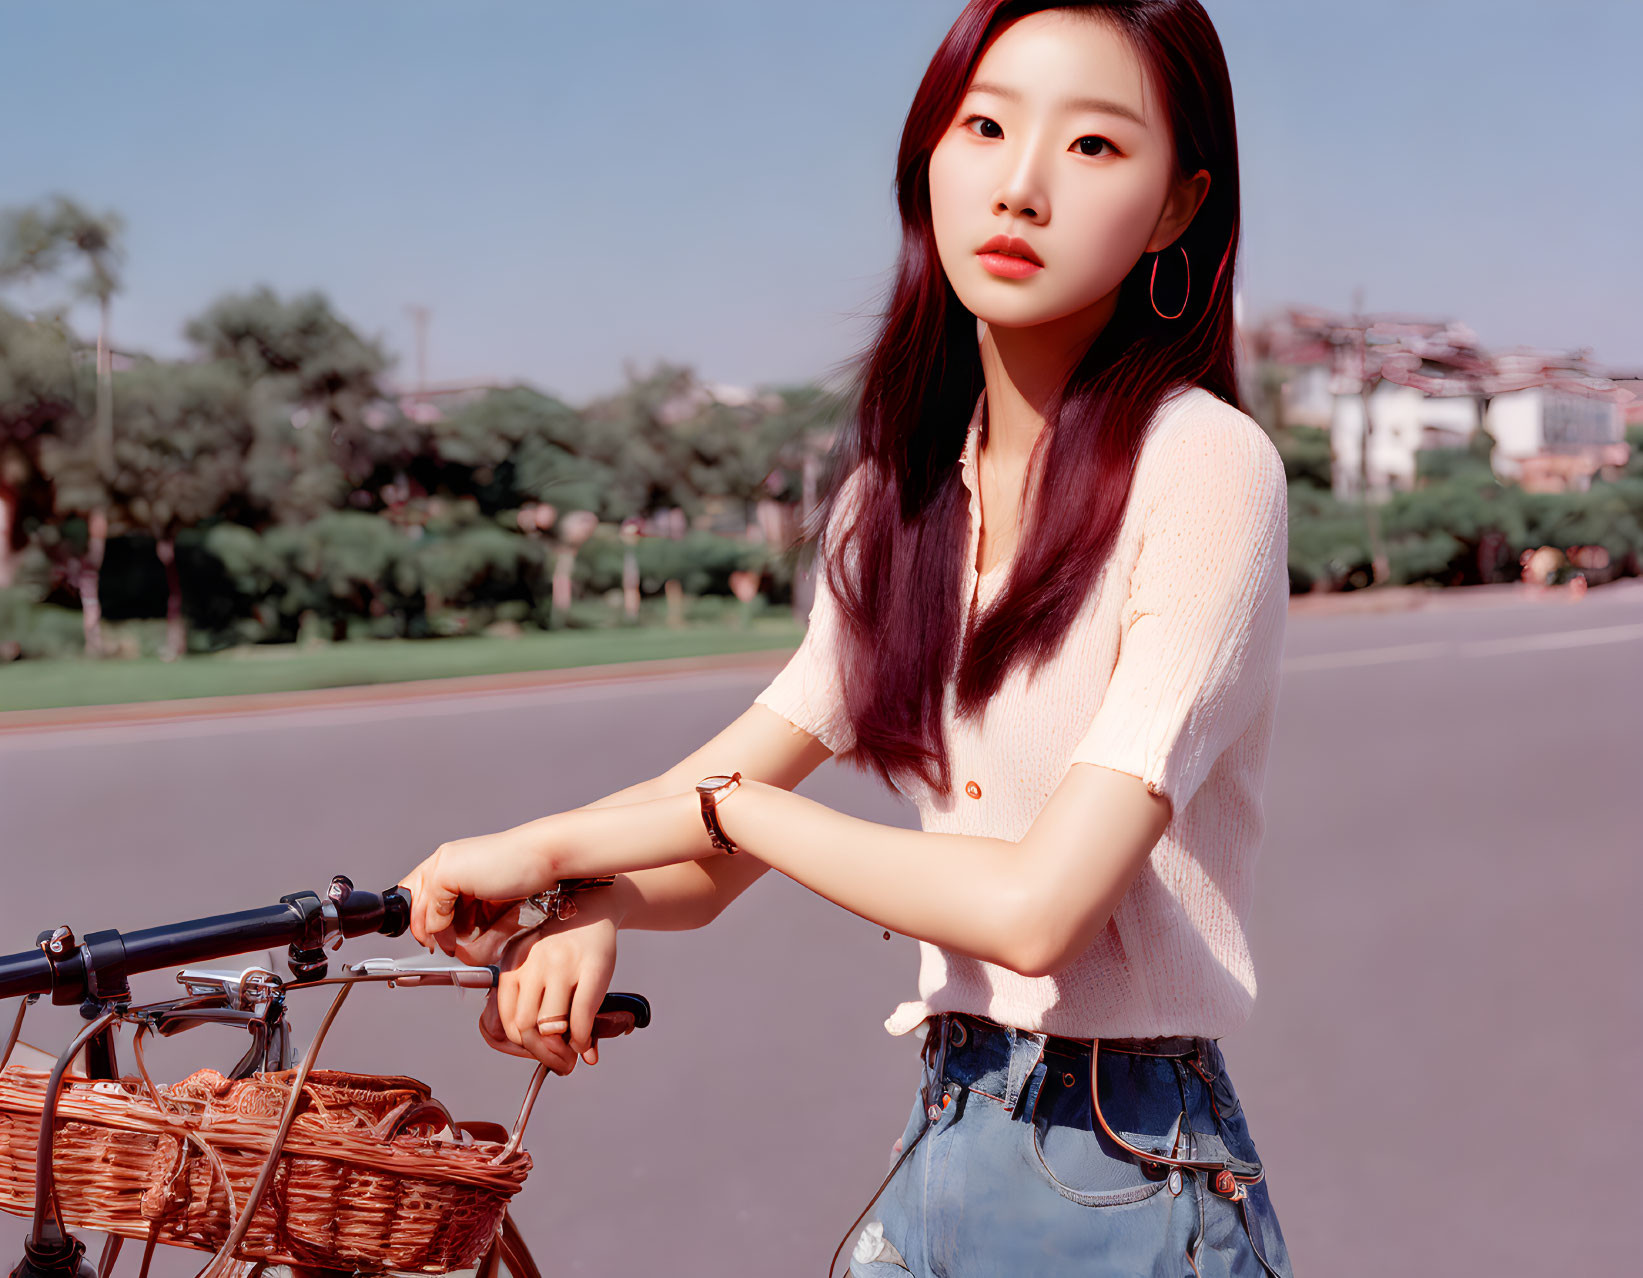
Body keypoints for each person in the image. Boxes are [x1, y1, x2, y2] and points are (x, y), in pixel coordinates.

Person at [396, 2, 1294, 1273]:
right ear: (927, 158)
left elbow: (1034, 910)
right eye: (984, 126)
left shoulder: (1204, 470)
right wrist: (571, 895)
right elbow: (715, 835)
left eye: (1093, 147)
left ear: (1175, 208)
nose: (1021, 185)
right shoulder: (901, 497)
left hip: (1132, 1178)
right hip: (951, 1136)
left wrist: (684, 819)